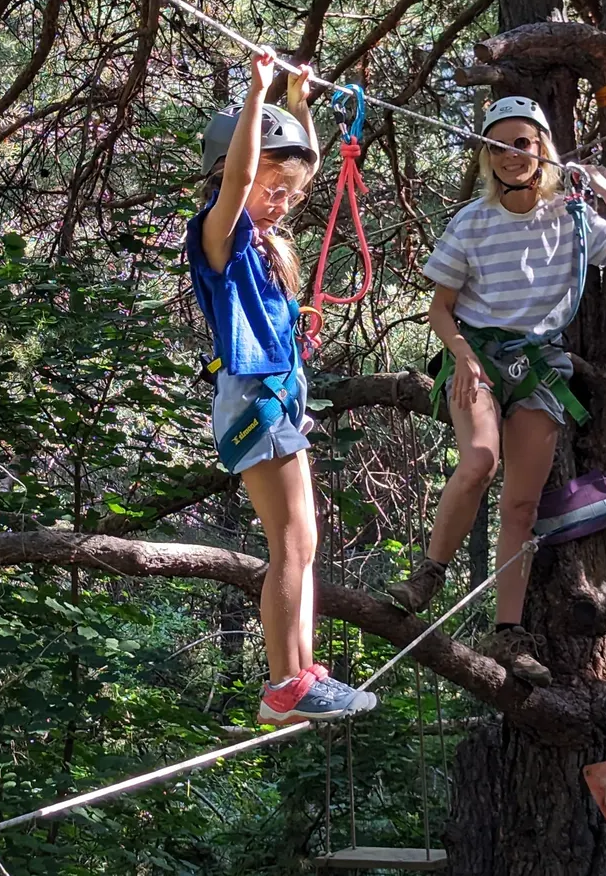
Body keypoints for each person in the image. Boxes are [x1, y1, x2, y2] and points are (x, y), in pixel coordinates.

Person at [383, 96, 606, 685]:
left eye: (523, 142)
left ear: (542, 148)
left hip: (540, 366)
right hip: (480, 358)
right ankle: (428, 576)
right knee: (479, 461)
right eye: (498, 145)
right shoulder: (471, 221)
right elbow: (440, 309)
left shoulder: (572, 219)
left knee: (521, 506)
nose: (511, 155)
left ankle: (507, 633)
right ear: (487, 155)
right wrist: (463, 356)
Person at [186, 50, 377, 725]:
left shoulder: (266, 237)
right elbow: (242, 176)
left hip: (276, 399)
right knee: (291, 545)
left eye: (287, 194)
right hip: (253, 399)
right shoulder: (221, 235)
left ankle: (299, 674)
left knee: (303, 543)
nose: (282, 200)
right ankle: (283, 682)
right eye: (274, 188)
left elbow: (308, 167)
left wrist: (298, 103)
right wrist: (256, 91)